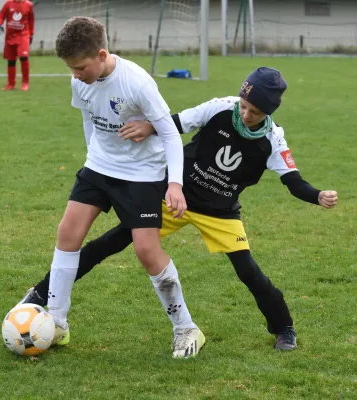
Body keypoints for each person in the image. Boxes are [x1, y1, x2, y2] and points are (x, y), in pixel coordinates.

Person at [19, 67, 338, 351]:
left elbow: (293, 182)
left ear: (268, 112)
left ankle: (284, 328)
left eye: (254, 111)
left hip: (220, 212)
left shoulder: (273, 140)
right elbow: (176, 123)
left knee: (248, 271)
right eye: (243, 105)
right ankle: (41, 294)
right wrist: (149, 127)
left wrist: (317, 195)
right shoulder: (220, 108)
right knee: (111, 242)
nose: (245, 114)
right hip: (176, 198)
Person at [42, 16, 205, 359]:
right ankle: (56, 322)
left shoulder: (137, 83)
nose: (75, 75)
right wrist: (93, 160)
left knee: (147, 252)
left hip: (143, 174)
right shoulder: (80, 83)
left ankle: (186, 327)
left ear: (102, 54)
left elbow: (172, 135)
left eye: (80, 67)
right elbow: (89, 119)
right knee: (67, 232)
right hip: (100, 167)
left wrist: (174, 185)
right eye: (71, 68)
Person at [0, 0, 34, 91]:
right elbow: (1, 15)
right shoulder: (8, 4)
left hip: (23, 35)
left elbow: (31, 20)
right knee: (11, 60)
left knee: (23, 57)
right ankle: (11, 84)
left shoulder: (28, 5)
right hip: (10, 37)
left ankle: (25, 83)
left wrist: (31, 33)